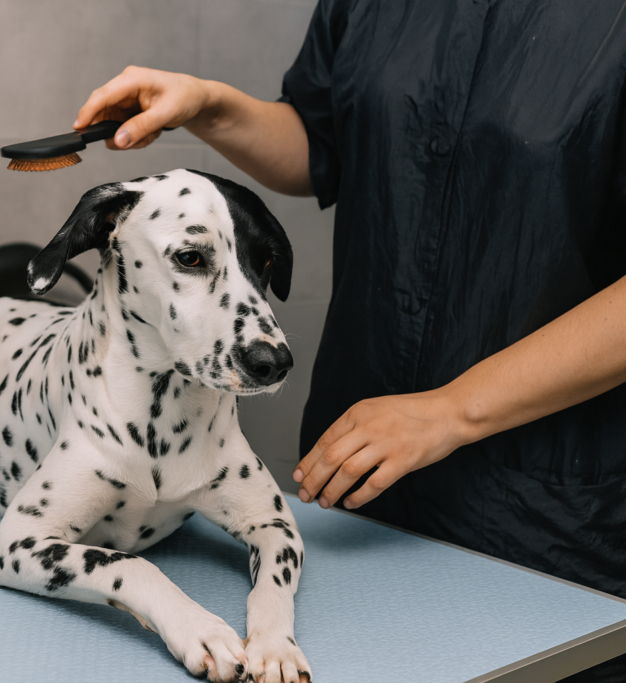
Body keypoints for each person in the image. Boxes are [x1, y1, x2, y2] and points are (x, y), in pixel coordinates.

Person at [74, 1, 626, 680]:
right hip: (363, 475)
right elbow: (322, 143)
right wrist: (209, 105)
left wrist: (450, 408)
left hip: (548, 511)